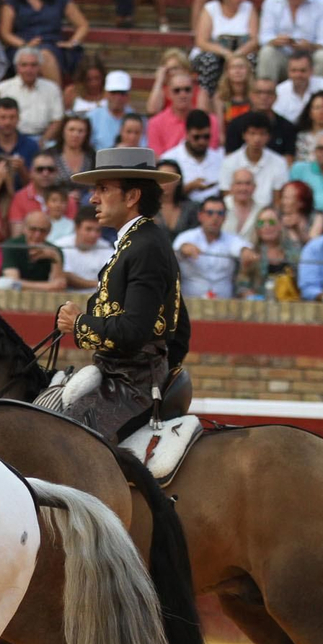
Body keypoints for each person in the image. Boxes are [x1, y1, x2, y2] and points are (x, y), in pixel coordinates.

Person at [47, 147, 187, 439]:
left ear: (132, 196)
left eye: (103, 189)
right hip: (130, 378)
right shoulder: (142, 240)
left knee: (60, 439)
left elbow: (133, 331)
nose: (93, 198)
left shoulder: (143, 246)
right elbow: (180, 327)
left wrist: (78, 324)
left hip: (132, 386)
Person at [0, 0, 87, 85]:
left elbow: (83, 25)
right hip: (22, 46)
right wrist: (25, 45)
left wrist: (73, 42)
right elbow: (5, 33)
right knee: (31, 57)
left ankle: (55, 101)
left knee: (45, 55)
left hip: (52, 46)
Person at [173, 192, 251, 300]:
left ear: (225, 217)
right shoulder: (186, 237)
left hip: (224, 306)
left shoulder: (231, 239)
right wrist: (183, 250)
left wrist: (245, 252)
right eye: (210, 213)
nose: (215, 218)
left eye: (220, 213)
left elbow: (242, 248)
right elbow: (174, 255)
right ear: (200, 216)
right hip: (190, 303)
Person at [192, 0, 257, 98]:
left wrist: (237, 55)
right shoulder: (210, 8)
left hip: (240, 52)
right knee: (210, 61)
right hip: (214, 53)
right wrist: (226, 53)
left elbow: (254, 40)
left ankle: (247, 99)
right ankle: (207, 100)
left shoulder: (248, 8)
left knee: (250, 60)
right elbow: (201, 41)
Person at [219, 111, 286, 207]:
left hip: (266, 216)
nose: (257, 139)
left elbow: (277, 200)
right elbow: (227, 198)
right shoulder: (229, 162)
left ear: (268, 136)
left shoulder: (279, 162)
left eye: (262, 134)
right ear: (244, 135)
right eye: (252, 133)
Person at [0, 46, 63, 143]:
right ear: (17, 67)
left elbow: (57, 120)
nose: (29, 69)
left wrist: (43, 141)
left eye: (33, 65)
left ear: (40, 67)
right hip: (11, 139)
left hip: (43, 139)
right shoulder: (2, 89)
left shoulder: (52, 89)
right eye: (24, 65)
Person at [274, 48, 323, 126]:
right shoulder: (280, 90)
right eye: (294, 71)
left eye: (303, 71)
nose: (298, 75)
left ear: (311, 71)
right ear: (288, 72)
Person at [0, 96, 38, 166]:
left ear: (18, 118)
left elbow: (36, 175)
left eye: (12, 117)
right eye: (3, 117)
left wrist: (22, 169)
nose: (7, 122)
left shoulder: (31, 146)